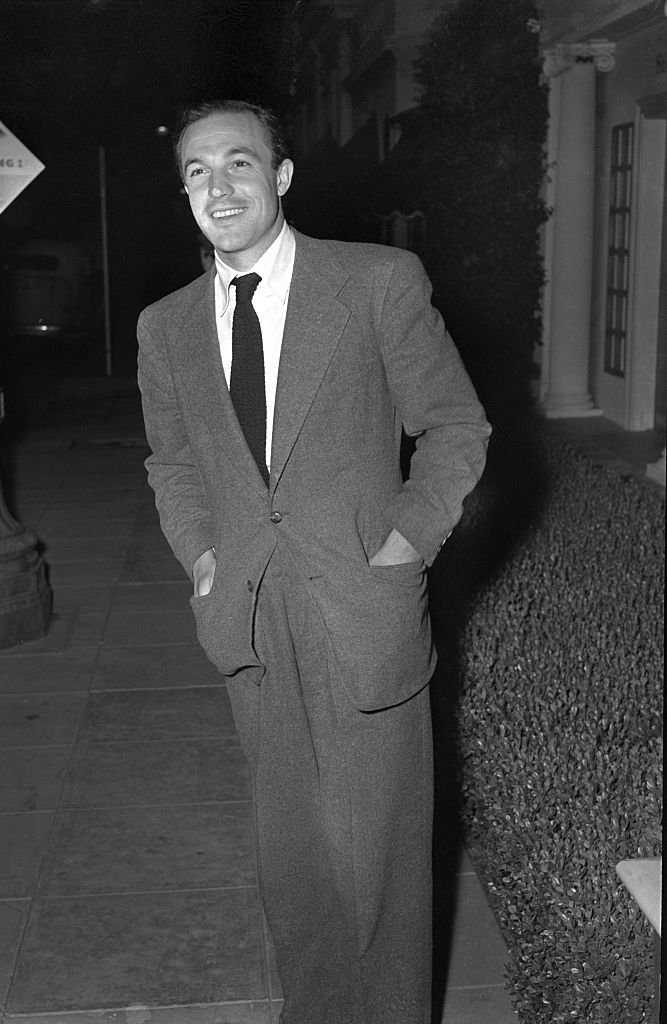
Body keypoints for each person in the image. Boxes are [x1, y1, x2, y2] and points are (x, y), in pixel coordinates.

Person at [137, 98, 491, 1024]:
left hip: (358, 603)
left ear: (281, 176)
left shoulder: (374, 283)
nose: (219, 186)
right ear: (184, 193)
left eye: (239, 164)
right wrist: (204, 559)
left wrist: (405, 543)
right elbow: (171, 462)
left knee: (375, 854)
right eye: (198, 172)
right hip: (248, 613)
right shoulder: (165, 327)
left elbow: (453, 426)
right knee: (289, 852)